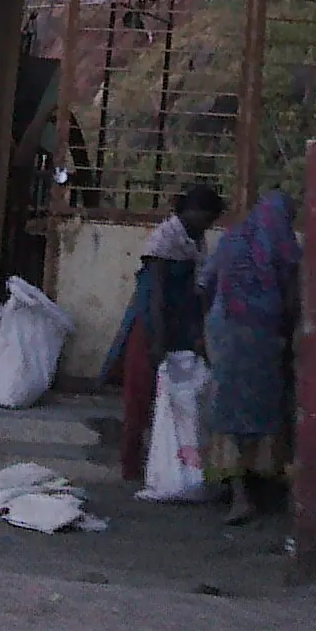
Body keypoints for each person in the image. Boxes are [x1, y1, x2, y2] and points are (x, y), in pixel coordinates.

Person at [101, 183, 224, 484]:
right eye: (206, 217)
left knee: (173, 399)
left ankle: (166, 463)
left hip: (180, 326)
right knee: (140, 397)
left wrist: (196, 334)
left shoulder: (194, 240)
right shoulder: (166, 239)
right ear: (192, 211)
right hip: (151, 326)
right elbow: (154, 295)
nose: (207, 225)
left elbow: (196, 291)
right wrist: (157, 339)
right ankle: (131, 467)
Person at [200, 187, 301, 526]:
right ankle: (262, 488)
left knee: (227, 409)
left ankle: (238, 492)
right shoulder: (284, 247)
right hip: (264, 338)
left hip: (225, 333)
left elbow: (206, 284)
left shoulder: (231, 240)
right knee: (266, 409)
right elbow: (291, 299)